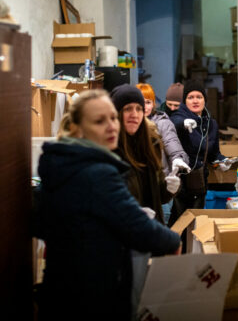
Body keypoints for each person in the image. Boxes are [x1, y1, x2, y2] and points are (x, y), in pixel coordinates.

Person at [32, 89, 181, 321]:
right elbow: (136, 226)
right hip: (90, 296)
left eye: (112, 117)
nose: (112, 126)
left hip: (64, 288)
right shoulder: (97, 171)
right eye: (100, 121)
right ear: (77, 129)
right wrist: (172, 241)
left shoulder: (64, 163)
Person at [169, 80, 237, 226]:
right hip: (181, 182)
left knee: (195, 223)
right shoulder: (179, 116)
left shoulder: (211, 124)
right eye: (190, 97)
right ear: (184, 101)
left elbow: (214, 153)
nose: (195, 101)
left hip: (199, 182)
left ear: (204, 100)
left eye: (199, 97)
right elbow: (173, 122)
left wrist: (222, 161)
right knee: (180, 222)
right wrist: (183, 123)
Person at [110, 84, 180, 224]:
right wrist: (132, 214)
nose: (134, 114)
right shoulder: (109, 150)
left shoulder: (151, 142)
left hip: (151, 231)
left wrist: (169, 189)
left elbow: (158, 196)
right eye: (127, 109)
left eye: (139, 109)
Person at [137, 83, 190, 224]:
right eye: (140, 101)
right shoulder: (129, 124)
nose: (144, 106)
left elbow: (172, 143)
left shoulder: (162, 123)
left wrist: (178, 158)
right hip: (137, 191)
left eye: (148, 102)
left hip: (161, 189)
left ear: (153, 103)